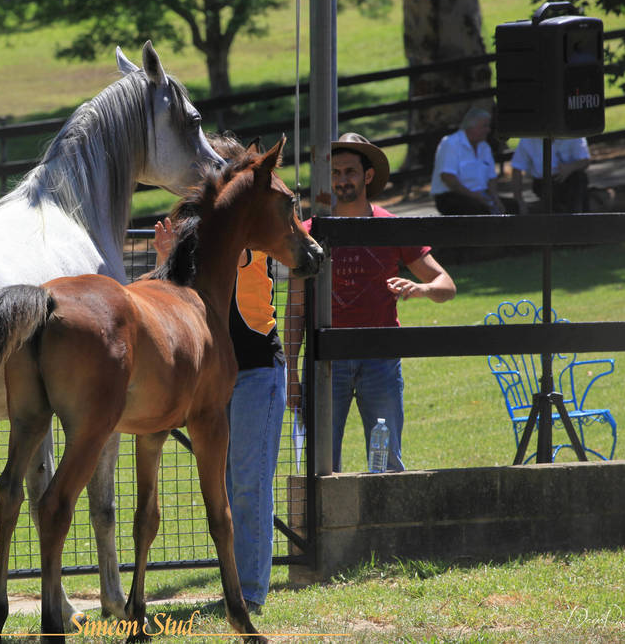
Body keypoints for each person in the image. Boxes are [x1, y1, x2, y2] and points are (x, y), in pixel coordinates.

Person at [153, 132, 283, 613]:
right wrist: (165, 261)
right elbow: (170, 296)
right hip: (209, 373)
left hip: (254, 369)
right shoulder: (202, 231)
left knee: (248, 482)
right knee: (226, 483)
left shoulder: (252, 226)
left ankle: (250, 591)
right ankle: (239, 585)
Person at [296, 133, 456, 472]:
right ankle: (323, 527)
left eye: (350, 171)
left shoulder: (391, 227)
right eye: (335, 173)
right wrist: (290, 371)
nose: (342, 180)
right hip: (326, 359)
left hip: (380, 357)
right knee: (320, 466)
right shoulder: (311, 231)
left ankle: (385, 524)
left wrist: (421, 289)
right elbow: (296, 309)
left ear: (368, 176)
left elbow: (446, 284)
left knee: (387, 463)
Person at [430, 108, 504, 215]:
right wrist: (475, 196)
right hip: (451, 196)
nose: (488, 130)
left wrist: (496, 199)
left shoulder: (484, 147)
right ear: (471, 127)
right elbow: (448, 178)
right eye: (484, 126)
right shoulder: (450, 143)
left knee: (512, 207)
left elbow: (491, 178)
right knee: (477, 210)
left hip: (480, 195)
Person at [510, 136, 591, 214]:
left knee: (579, 179)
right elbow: (517, 168)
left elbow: (585, 160)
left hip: (570, 180)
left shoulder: (572, 133)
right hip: (543, 183)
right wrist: (519, 200)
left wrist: (569, 168)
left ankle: (577, 216)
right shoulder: (528, 140)